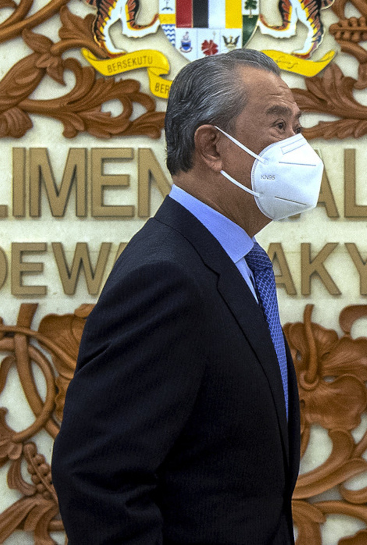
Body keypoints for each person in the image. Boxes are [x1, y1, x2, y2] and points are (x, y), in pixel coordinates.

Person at [51, 49, 324, 544]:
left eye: (298, 126)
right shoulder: (166, 278)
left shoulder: (225, 260)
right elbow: (98, 479)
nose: (299, 145)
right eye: (279, 126)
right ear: (213, 147)